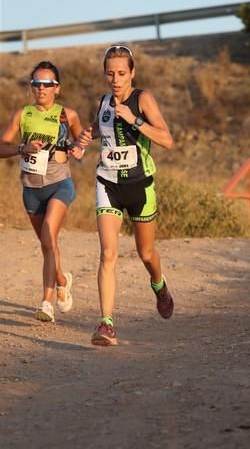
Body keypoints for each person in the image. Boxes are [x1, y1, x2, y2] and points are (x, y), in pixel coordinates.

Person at [79, 45, 174, 346]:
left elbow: (167, 139)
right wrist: (85, 135)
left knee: (146, 254)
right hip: (107, 183)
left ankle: (159, 285)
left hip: (140, 186)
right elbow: (100, 129)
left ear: (132, 72)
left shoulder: (142, 99)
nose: (115, 79)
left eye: (121, 73)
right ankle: (106, 323)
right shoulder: (104, 101)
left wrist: (135, 119)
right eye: (110, 73)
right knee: (108, 253)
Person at [0, 60, 84, 323]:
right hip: (31, 190)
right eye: (36, 83)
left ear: (57, 88)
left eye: (47, 84)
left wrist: (78, 149)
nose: (41, 88)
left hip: (60, 185)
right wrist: (21, 148)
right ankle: (61, 279)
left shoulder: (67, 115)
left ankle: (46, 302)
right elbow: (2, 147)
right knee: (48, 244)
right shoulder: (22, 115)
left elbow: (81, 142)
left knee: (48, 235)